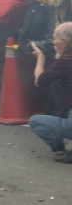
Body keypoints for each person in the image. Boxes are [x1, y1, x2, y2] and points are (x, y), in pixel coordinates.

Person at [29, 22, 72, 163]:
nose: (53, 42)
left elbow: (40, 81)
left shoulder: (66, 60)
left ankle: (63, 150)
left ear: (65, 41)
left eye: (55, 38)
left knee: (35, 121)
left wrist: (40, 58)